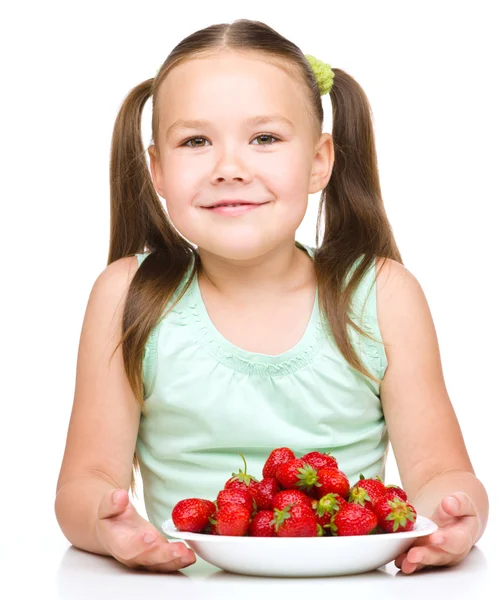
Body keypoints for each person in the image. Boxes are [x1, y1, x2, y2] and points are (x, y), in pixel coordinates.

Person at [54, 18, 488, 575]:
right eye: (195, 141)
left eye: (264, 138)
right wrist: (107, 522)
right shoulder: (128, 295)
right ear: (157, 169)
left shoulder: (382, 294)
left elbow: (440, 474)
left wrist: (456, 516)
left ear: (318, 161)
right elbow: (83, 485)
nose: (230, 168)